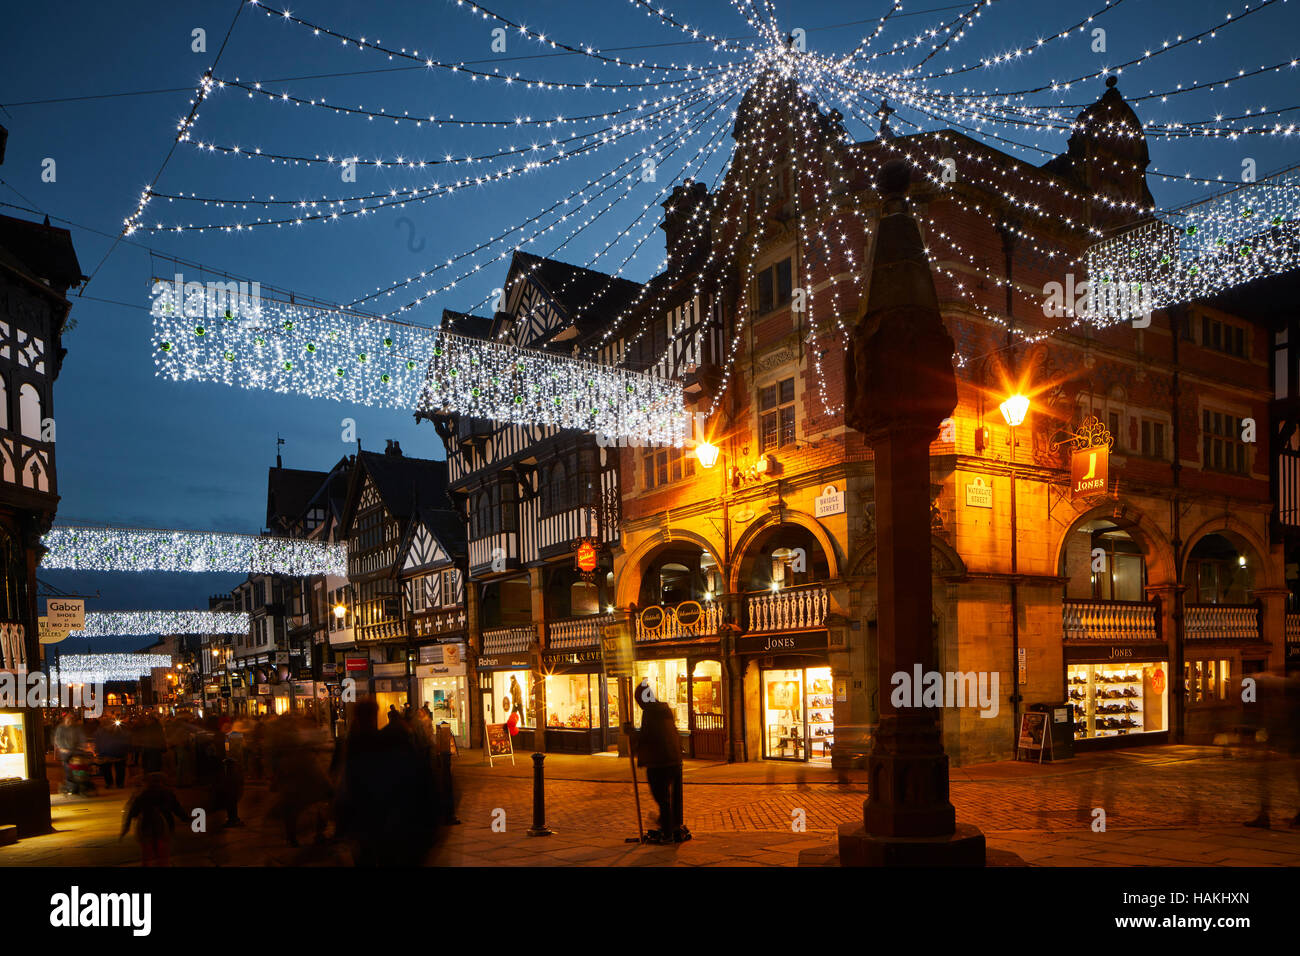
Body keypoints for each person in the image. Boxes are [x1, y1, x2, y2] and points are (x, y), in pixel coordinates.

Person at [622, 679, 689, 844]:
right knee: (665, 799)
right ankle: (668, 827)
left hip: (659, 762)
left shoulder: (651, 713)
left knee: (662, 799)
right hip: (672, 760)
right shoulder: (663, 709)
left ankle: (667, 833)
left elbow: (649, 737)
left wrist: (631, 733)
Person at [121, 773, 186, 866]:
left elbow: (133, 812)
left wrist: (126, 826)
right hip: (162, 827)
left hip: (147, 827)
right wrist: (185, 818)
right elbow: (177, 809)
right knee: (161, 851)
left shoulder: (143, 796)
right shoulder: (167, 794)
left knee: (149, 852)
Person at [52, 713, 86, 794]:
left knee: (81, 765)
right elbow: (58, 739)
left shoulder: (77, 727)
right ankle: (71, 785)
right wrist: (62, 748)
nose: (69, 722)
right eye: (68, 720)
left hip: (75, 750)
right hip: (65, 751)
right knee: (68, 767)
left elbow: (82, 737)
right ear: (65, 720)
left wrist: (82, 746)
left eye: (71, 720)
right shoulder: (61, 728)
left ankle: (81, 783)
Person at [94, 720, 130, 789]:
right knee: (111, 769)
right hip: (111, 753)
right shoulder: (101, 732)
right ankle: (114, 783)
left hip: (114, 753)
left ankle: (114, 783)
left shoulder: (118, 731)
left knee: (116, 769)